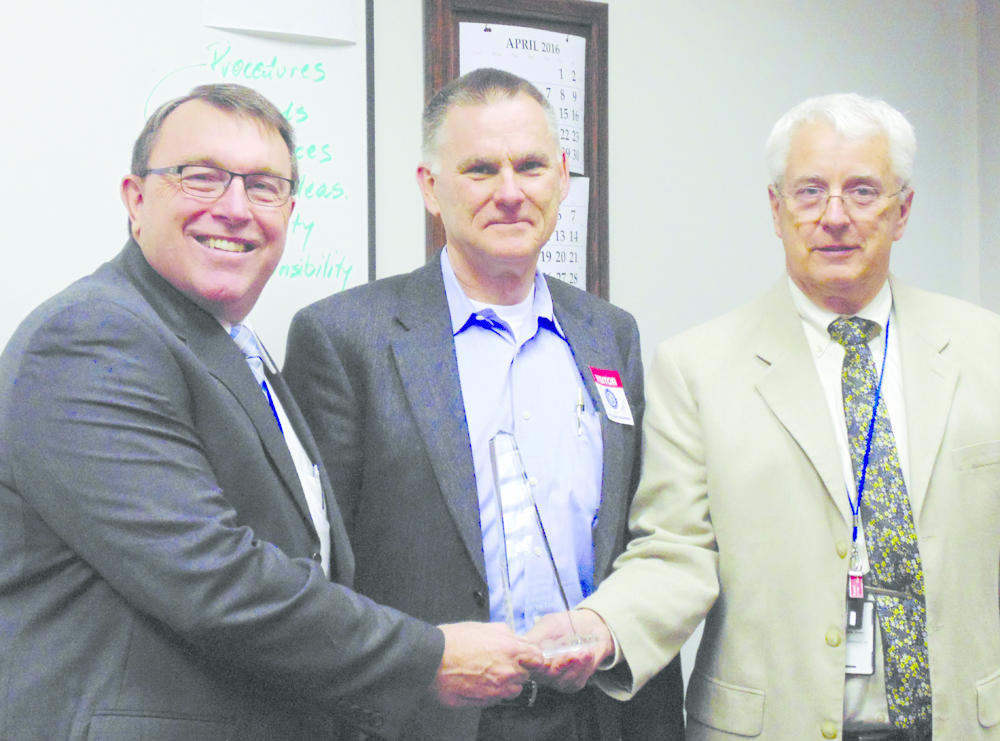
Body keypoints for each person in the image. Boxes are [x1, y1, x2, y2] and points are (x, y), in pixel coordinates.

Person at [0, 83, 545, 741]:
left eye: (263, 186)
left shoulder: (228, 341)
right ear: (135, 199)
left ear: (289, 210)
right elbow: (216, 581)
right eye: (201, 178)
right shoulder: (92, 338)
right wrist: (429, 657)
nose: (235, 209)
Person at [532, 92, 1000, 740]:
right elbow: (674, 552)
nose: (834, 216)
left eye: (863, 191)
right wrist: (602, 627)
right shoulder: (697, 368)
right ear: (776, 211)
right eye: (809, 192)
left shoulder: (987, 351)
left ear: (903, 211)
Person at [283, 68, 684, 741]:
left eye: (530, 167)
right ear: (429, 187)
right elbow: (316, 568)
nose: (509, 192)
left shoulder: (610, 334)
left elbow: (639, 534)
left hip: (594, 716)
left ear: (560, 178)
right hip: (426, 721)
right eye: (479, 169)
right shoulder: (345, 338)